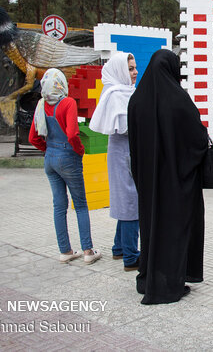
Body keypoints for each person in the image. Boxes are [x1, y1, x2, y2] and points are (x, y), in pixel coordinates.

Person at [128, 49, 209, 305]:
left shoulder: (137, 100)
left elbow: (133, 146)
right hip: (176, 183)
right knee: (174, 230)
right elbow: (198, 139)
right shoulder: (178, 100)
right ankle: (169, 285)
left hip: (148, 183)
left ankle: (148, 279)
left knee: (151, 228)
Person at [29, 69, 102, 265]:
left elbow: (33, 137)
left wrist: (48, 150)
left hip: (50, 158)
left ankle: (65, 251)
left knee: (59, 206)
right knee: (80, 204)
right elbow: (72, 134)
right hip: (68, 156)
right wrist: (79, 151)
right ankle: (88, 251)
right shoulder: (67, 102)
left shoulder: (41, 105)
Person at [89, 53, 140, 272]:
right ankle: (131, 256)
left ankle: (119, 248)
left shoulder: (122, 91)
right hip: (124, 152)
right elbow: (127, 127)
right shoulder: (118, 94)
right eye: (130, 68)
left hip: (123, 151)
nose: (135, 72)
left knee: (124, 199)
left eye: (135, 67)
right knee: (131, 202)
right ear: (120, 71)